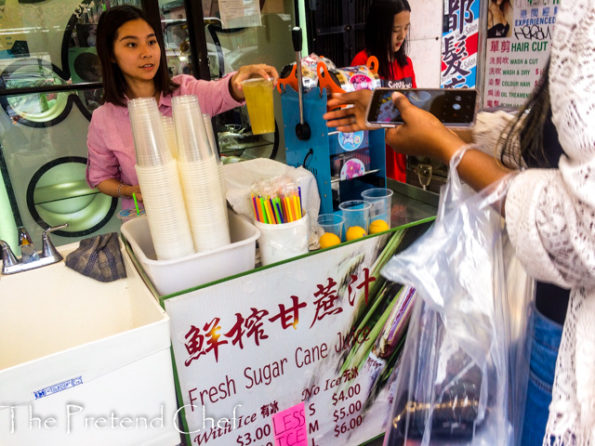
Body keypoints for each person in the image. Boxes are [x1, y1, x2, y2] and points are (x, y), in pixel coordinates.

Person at [323, 0, 595, 443]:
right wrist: (385, 108)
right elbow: (536, 140)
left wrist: (447, 149)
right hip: (547, 316)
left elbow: (578, 225)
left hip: (571, 336)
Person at [86, 5, 279, 210]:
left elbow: (221, 92)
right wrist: (130, 190)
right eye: (132, 45)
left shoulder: (185, 93)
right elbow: (101, 178)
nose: (147, 53)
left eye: (151, 42)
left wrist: (240, 82)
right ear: (111, 55)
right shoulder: (104, 119)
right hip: (149, 219)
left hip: (205, 213)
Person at [351, 0, 416, 182]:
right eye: (396, 30)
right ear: (379, 28)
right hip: (373, 156)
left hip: (400, 154)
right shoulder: (362, 63)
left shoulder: (406, 64)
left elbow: (415, 105)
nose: (402, 36)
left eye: (406, 28)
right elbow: (359, 113)